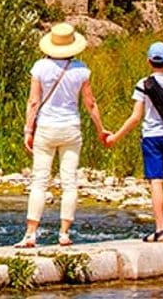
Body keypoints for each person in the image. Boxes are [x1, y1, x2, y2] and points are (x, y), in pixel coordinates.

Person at [15, 22, 107, 248]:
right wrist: (100, 129)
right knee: (69, 182)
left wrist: (28, 129)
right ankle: (64, 233)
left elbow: (34, 102)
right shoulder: (81, 70)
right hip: (71, 128)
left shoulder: (39, 68)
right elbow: (90, 103)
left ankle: (30, 234)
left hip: (45, 127)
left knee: (39, 181)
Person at [103, 41, 163, 241]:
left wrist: (115, 137)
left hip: (152, 137)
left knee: (157, 183)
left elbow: (135, 117)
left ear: (149, 61)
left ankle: (160, 231)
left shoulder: (144, 84)